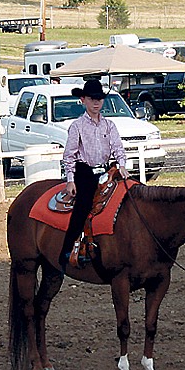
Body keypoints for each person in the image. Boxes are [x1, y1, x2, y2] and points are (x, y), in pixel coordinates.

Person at [58, 79, 130, 271]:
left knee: (128, 193)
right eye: (92, 99)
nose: (96, 103)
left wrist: (122, 165)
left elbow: (118, 148)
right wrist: (70, 180)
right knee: (83, 204)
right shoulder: (77, 126)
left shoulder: (109, 125)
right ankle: (68, 248)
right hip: (85, 171)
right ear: (83, 100)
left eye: (99, 99)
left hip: (107, 169)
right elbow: (69, 155)